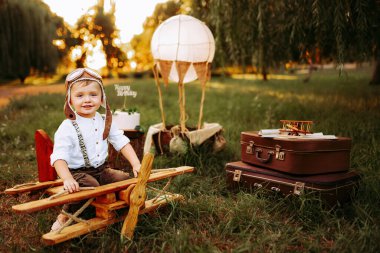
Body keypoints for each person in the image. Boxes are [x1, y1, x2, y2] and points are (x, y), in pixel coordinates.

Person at [50, 67, 141, 231]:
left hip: (101, 169)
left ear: (102, 99)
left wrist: (136, 164)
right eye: (80, 95)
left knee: (123, 179)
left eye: (93, 94)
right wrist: (67, 179)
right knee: (89, 186)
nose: (87, 100)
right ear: (70, 100)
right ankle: (65, 215)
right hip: (76, 172)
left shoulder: (104, 120)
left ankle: (117, 206)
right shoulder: (67, 126)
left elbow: (121, 141)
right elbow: (59, 157)